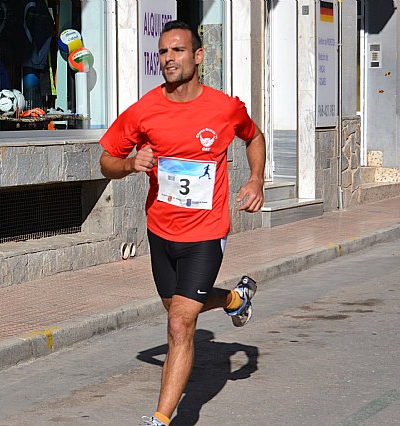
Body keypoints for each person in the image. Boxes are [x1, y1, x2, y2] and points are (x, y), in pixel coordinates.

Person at [98, 20, 265, 426]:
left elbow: (254, 137)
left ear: (198, 57)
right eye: (163, 52)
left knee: (179, 323)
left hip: (206, 232)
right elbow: (105, 161)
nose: (169, 59)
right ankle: (233, 299)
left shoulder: (224, 108)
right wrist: (128, 163)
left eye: (177, 51)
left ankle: (162, 418)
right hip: (160, 230)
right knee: (175, 308)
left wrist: (256, 178)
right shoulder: (144, 110)